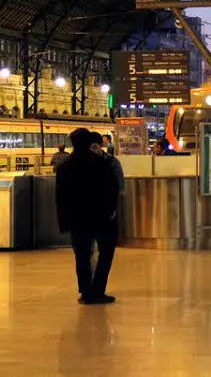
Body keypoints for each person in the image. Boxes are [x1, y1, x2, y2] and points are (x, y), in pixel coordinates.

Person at [56, 128, 120, 305]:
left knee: (82, 255)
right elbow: (112, 189)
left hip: (77, 219)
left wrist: (64, 221)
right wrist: (111, 211)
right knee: (106, 252)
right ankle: (98, 289)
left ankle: (86, 292)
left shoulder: (64, 166)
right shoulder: (101, 163)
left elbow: (61, 196)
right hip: (101, 218)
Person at [90, 132, 125, 203]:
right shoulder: (84, 161)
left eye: (94, 147)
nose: (92, 151)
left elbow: (120, 185)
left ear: (101, 145)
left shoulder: (112, 161)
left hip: (108, 201)